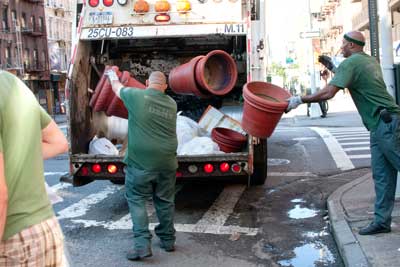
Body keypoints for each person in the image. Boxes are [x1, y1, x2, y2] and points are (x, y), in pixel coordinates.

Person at [286, 31, 400, 236]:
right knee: (382, 176)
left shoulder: (351, 63)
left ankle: (381, 220)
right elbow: (352, 79)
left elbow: (329, 92)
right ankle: (382, 221)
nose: (341, 46)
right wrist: (333, 68)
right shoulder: (368, 61)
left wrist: (299, 100)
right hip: (379, 125)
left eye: (344, 43)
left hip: (387, 125)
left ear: (352, 46)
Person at [106, 70, 178, 260]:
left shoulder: (135, 95)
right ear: (165, 87)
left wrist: (111, 75)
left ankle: (142, 245)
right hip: (167, 161)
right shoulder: (171, 103)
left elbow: (116, 88)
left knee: (137, 199)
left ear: (146, 82)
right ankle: (168, 240)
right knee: (165, 200)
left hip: (141, 163)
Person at [0, 71, 69, 265]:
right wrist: (16, 153)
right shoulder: (13, 83)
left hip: (11, 239)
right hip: (45, 228)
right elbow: (58, 142)